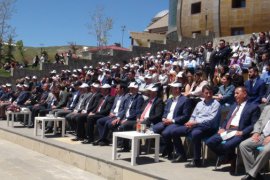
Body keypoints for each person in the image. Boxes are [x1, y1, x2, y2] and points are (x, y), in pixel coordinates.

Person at [206, 87, 261, 173]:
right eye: (234, 93)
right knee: (210, 142)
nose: (235, 95)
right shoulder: (234, 105)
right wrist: (223, 128)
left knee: (227, 145)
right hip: (227, 130)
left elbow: (254, 124)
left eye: (237, 93)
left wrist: (243, 132)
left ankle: (227, 158)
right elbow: (226, 119)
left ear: (244, 94)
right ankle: (229, 157)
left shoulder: (253, 107)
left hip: (239, 132)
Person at [171, 85, 221, 167]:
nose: (208, 95)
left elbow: (211, 119)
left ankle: (197, 160)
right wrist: (190, 122)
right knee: (174, 132)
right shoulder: (199, 104)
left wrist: (195, 123)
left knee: (195, 133)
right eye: (206, 93)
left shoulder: (216, 104)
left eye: (210, 93)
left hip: (208, 127)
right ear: (202, 93)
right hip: (195, 125)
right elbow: (193, 115)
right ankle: (182, 155)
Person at [153, 82, 193, 160]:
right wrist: (164, 118)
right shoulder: (170, 100)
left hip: (177, 123)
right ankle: (168, 149)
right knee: (154, 129)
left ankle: (179, 154)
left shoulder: (185, 100)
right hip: (166, 122)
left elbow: (186, 116)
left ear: (178, 89)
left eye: (173, 88)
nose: (171, 90)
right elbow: (165, 111)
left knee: (165, 133)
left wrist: (172, 121)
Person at [239, 105, 270, 180]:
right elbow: (259, 122)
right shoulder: (267, 108)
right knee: (244, 145)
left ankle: (251, 175)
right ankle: (255, 174)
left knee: (265, 150)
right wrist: (256, 132)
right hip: (263, 135)